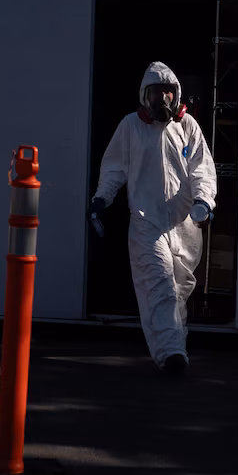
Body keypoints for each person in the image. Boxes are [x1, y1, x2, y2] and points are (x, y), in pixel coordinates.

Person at [89, 62, 216, 375]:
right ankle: (171, 354)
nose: (162, 99)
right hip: (147, 222)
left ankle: (175, 342)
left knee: (179, 287)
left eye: (167, 92)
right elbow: (115, 167)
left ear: (176, 94)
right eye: (155, 92)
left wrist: (204, 199)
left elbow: (201, 167)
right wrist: (102, 198)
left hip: (184, 223)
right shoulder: (131, 126)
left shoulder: (187, 127)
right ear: (144, 96)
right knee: (157, 284)